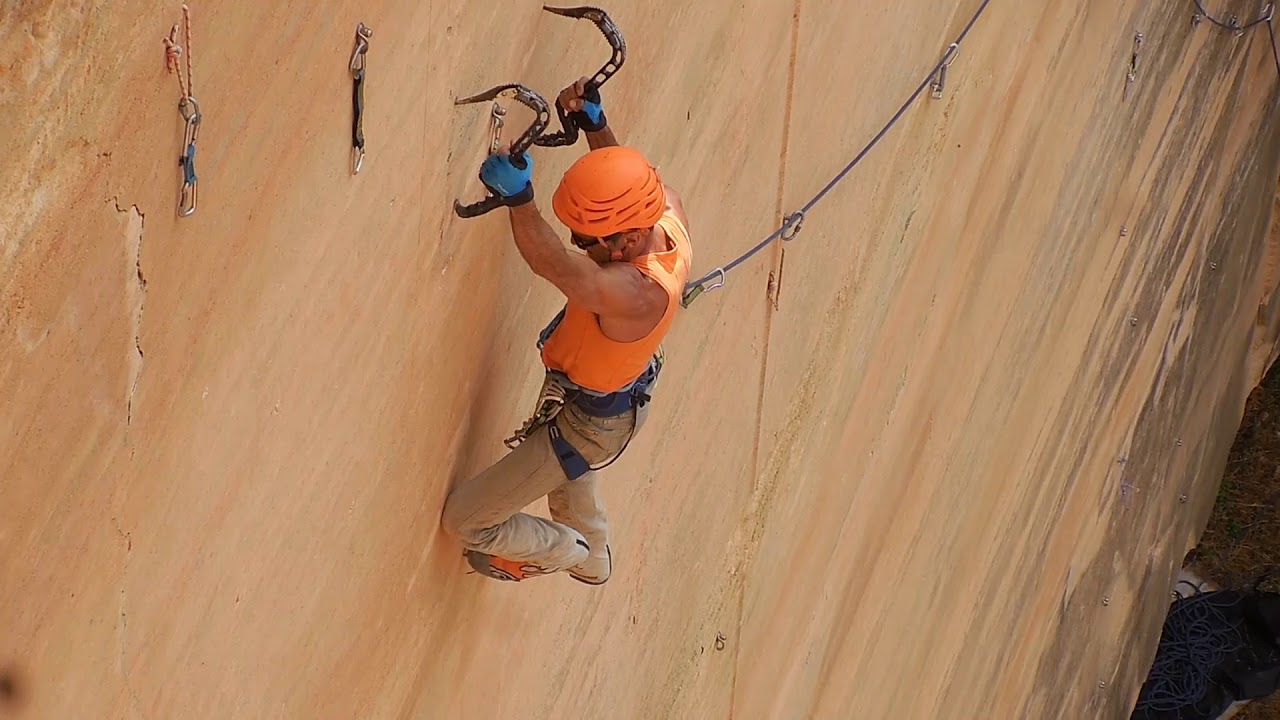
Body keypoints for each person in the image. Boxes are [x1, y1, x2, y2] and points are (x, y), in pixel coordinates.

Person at [440, 77, 693, 584]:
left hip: (590, 424)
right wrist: (595, 125)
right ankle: (594, 555)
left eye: (588, 239)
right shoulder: (662, 212)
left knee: (465, 519)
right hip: (607, 399)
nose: (580, 244)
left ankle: (571, 553)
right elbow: (625, 179)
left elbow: (558, 266)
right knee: (567, 483)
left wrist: (520, 201)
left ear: (625, 242)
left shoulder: (635, 292)